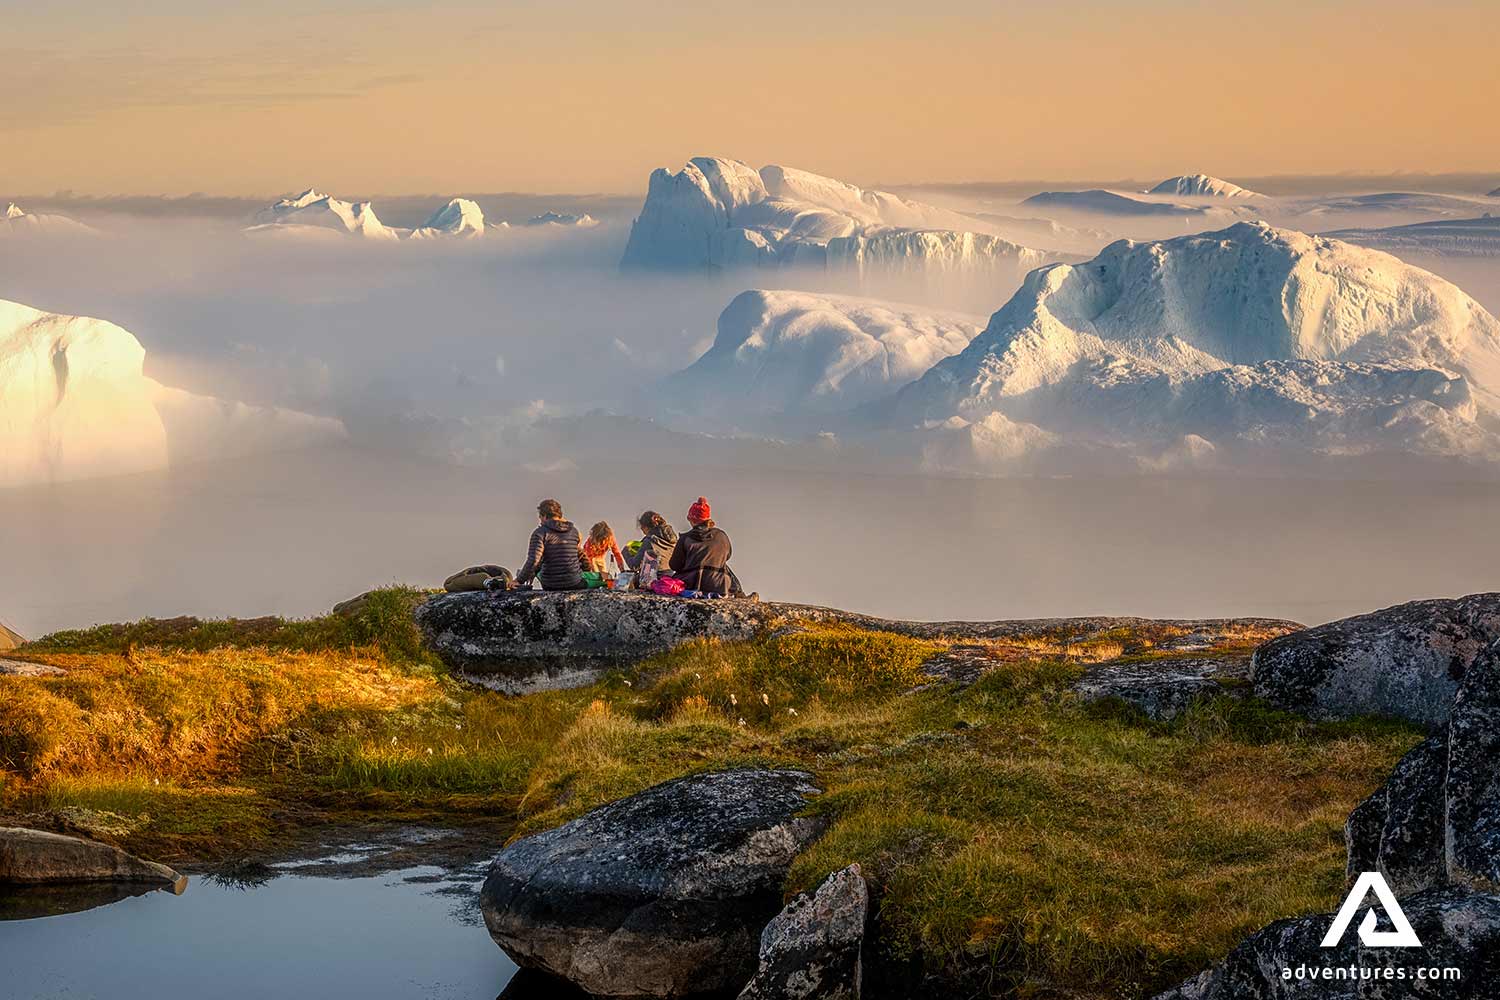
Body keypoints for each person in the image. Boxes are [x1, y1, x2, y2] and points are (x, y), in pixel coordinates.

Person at [668, 496, 743, 596]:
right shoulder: (721, 536)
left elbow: (674, 565)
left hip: (691, 584)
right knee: (724, 567)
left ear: (691, 519)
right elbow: (728, 556)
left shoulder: (685, 538)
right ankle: (740, 594)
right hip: (719, 585)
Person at [513, 499, 586, 591]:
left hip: (551, 584)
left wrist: (518, 580)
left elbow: (534, 560)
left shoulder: (540, 533)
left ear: (544, 516)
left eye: (540, 517)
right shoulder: (574, 531)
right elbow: (579, 555)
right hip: (574, 582)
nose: (540, 520)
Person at [623, 511, 678, 575]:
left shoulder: (650, 541)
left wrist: (625, 552)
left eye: (642, 529)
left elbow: (634, 565)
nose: (643, 532)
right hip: (671, 578)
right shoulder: (673, 540)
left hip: (655, 580)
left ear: (645, 527)